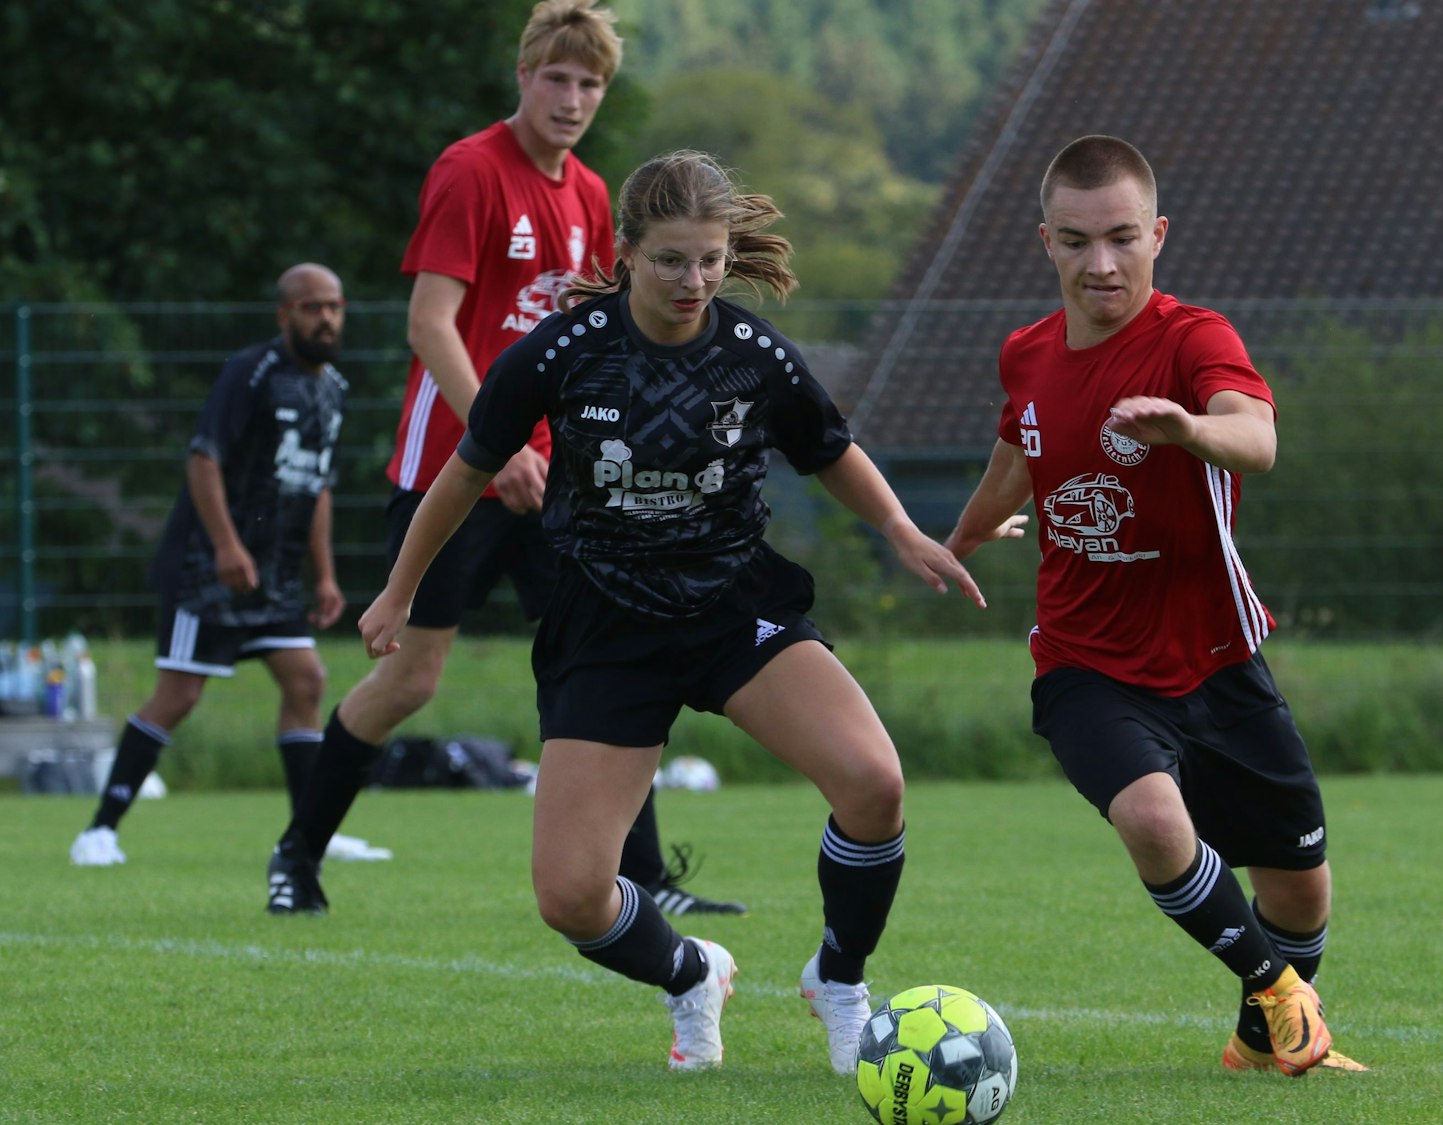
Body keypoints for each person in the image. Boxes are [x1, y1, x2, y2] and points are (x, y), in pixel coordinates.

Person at [359, 149, 989, 1073]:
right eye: (671, 260)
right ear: (626, 252)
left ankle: (839, 980)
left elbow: (829, 449)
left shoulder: (755, 355)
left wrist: (900, 527)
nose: (694, 280)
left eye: (710, 259)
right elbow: (464, 473)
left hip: (734, 608)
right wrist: (399, 590)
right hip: (607, 625)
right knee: (571, 896)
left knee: (874, 783)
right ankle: (692, 971)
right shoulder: (560, 354)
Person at [267, 0, 743, 919]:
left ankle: (644, 883)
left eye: (590, 83)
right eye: (557, 78)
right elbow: (428, 324)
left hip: (555, 475)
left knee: (614, 653)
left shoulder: (597, 195)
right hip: (454, 463)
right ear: (524, 76)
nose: (572, 98)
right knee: (411, 677)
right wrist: (501, 441)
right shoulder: (471, 170)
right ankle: (298, 854)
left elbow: (599, 339)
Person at [943, 134, 1365, 1076]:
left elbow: (1256, 441)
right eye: (1077, 240)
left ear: (1158, 235)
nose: (1102, 262)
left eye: (1122, 238)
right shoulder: (1026, 354)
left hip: (1217, 656)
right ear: (1044, 241)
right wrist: (961, 536)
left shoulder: (1192, 339)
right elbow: (1021, 455)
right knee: (1154, 821)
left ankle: (1261, 1043)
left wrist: (1189, 428)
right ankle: (1282, 993)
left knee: (1298, 885)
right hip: (1086, 664)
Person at [70, 263, 350, 866]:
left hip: (274, 578)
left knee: (307, 681)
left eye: (333, 306)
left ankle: (310, 834)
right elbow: (204, 459)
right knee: (179, 695)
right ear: (285, 315)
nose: (325, 317)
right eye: (311, 306)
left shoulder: (335, 390)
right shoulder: (250, 373)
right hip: (209, 572)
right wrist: (226, 544)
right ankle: (100, 829)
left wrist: (323, 575)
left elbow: (317, 486)